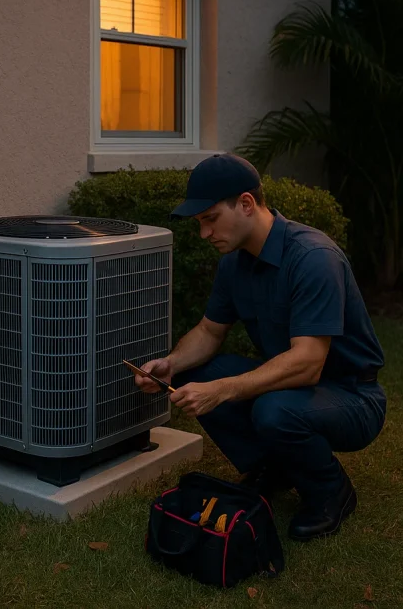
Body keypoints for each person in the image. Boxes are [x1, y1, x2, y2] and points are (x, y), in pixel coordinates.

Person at [134, 153, 387, 542]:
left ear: (247, 204)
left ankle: (330, 491)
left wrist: (222, 390)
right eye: (200, 223)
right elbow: (209, 331)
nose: (204, 234)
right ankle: (277, 466)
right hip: (296, 389)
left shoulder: (313, 258)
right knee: (198, 372)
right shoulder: (236, 263)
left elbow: (307, 364)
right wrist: (171, 363)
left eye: (210, 219)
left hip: (352, 395)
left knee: (271, 408)